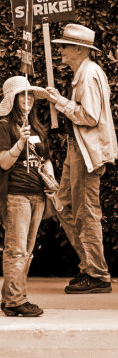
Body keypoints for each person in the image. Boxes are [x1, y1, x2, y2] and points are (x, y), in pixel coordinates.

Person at [46, 23, 118, 293]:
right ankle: (91, 267)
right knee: (63, 206)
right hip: (78, 149)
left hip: (86, 153)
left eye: (64, 45)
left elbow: (90, 116)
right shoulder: (86, 72)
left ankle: (97, 274)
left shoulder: (88, 74)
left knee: (86, 213)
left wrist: (60, 102)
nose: (60, 50)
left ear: (79, 49)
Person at [0, 76, 53, 317]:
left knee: (28, 250)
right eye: (23, 94)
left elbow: (46, 159)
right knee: (16, 249)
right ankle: (15, 300)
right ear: (12, 98)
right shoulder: (4, 125)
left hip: (38, 194)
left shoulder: (37, 126)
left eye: (30, 94)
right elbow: (3, 162)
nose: (28, 98)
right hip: (16, 193)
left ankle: (13, 297)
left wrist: (53, 184)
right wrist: (20, 142)